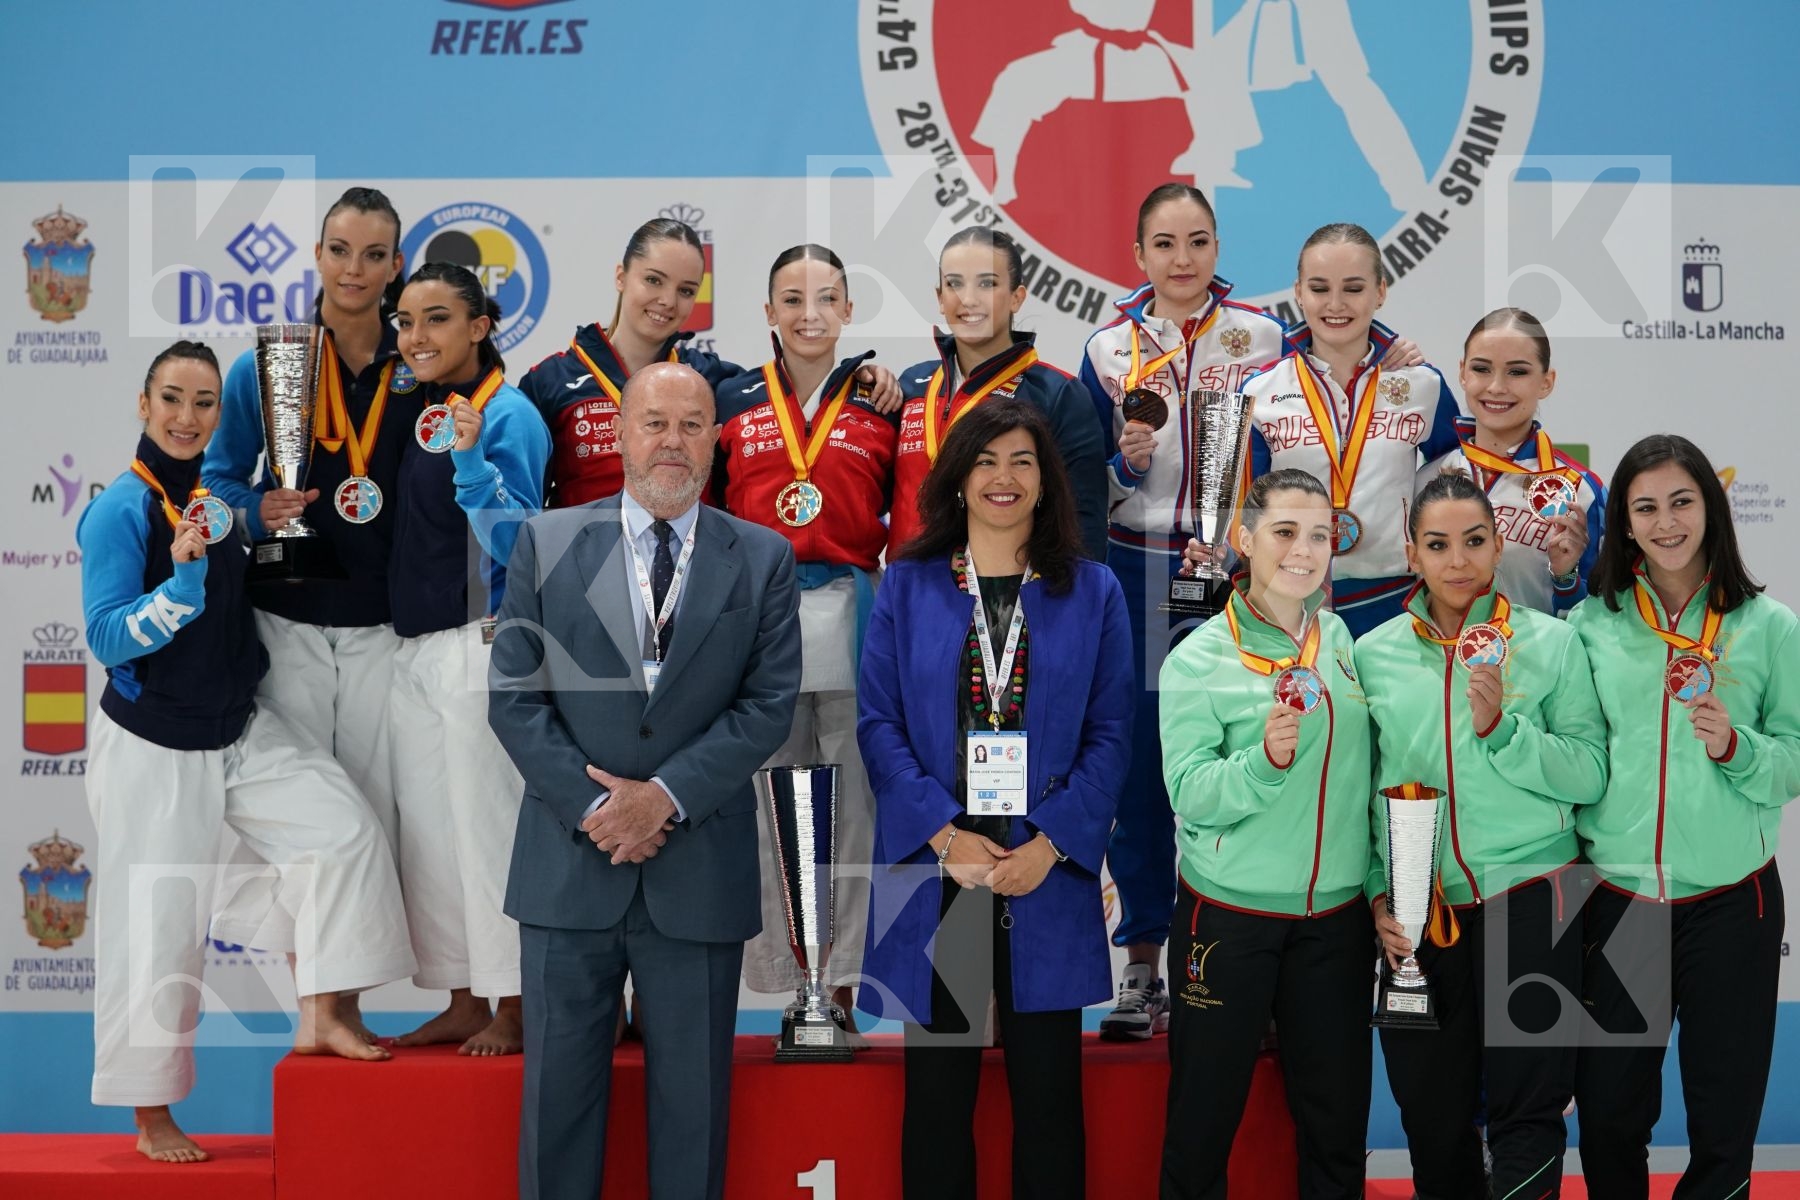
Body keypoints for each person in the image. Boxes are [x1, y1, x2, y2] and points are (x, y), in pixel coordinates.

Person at [79, 341, 414, 1163]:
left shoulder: (218, 502)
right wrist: (183, 585)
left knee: (344, 832)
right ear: (143, 404)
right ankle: (150, 1113)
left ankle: (324, 1011)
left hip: (237, 723)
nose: (189, 417)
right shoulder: (123, 507)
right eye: (172, 400)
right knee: (154, 925)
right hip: (154, 743)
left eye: (203, 404)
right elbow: (105, 634)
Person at [487, 361, 801, 1200]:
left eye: (692, 425)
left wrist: (661, 799)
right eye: (654, 422)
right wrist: (600, 808)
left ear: (717, 439)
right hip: (567, 868)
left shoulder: (764, 558)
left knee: (694, 1121)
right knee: (556, 1115)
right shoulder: (544, 542)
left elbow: (767, 706)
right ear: (619, 434)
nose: (673, 441)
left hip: (697, 869)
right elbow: (515, 702)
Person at [857, 399, 1133, 1200]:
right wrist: (944, 838)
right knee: (938, 1099)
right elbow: (878, 725)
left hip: (1041, 867)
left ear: (1047, 482)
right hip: (941, 863)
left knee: (1049, 1100)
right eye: (985, 461)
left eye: (1022, 462)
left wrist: (1050, 844)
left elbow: (1112, 733)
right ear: (957, 479)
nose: (1003, 478)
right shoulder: (906, 584)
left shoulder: (1096, 590)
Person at [1356, 470, 1608, 1200]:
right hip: (1420, 910)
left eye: (1474, 541)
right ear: (1412, 554)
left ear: (1500, 547)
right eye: (1438, 544)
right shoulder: (1374, 655)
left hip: (1535, 894)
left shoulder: (1553, 644)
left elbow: (1590, 775)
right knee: (1432, 1118)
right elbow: (1370, 797)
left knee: (1528, 1111)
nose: (1457, 560)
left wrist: (1504, 731)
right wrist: (1380, 896)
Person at [1078, 182, 1287, 1040]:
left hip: (1231, 572)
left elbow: (1298, 435)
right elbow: (1078, 482)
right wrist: (1124, 470)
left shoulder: (1268, 337)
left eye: (1198, 240)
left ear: (1217, 246)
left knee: (1239, 756)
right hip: (1135, 569)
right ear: (1139, 255)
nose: (1182, 258)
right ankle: (1140, 967)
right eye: (1164, 243)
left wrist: (1248, 544)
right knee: (1138, 771)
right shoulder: (1105, 346)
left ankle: (1246, 964)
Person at [203, 189, 413, 1035]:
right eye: (339, 250)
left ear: (397, 265)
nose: (354, 270)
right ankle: (314, 1007)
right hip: (285, 617)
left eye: (373, 255)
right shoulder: (269, 363)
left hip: (381, 629)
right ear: (317, 255)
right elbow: (214, 481)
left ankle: (343, 1004)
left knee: (361, 814)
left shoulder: (420, 356)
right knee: (305, 826)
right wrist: (259, 510)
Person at [1570, 434, 1798, 1198]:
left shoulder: (1770, 626)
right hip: (1619, 902)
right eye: (1646, 507)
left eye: (1682, 502)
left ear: (1711, 509)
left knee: (1724, 1123)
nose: (1666, 522)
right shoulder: (1592, 625)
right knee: (1607, 1117)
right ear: (1624, 524)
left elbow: (1794, 761)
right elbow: (1576, 757)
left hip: (1731, 902)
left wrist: (1737, 746)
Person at [1157, 468, 1373, 1199]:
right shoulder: (1198, 657)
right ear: (1245, 540)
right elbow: (1188, 793)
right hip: (1231, 916)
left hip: (1334, 920)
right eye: (1285, 532)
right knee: (1201, 1127)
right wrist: (1265, 763)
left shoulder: (1339, 638)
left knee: (1337, 1131)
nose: (1304, 551)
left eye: (1320, 535)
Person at [712, 243, 897, 1031]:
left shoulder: (881, 403)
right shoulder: (730, 402)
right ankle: (797, 982)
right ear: (768, 314)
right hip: (762, 623)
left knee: (854, 808)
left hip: (855, 614)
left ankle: (845, 985)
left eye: (827, 297)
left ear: (850, 311)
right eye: (792, 298)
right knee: (771, 806)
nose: (809, 313)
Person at [386, 262, 549, 1055]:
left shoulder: (507, 414)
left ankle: (515, 999)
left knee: (488, 832)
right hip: (415, 647)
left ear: (481, 327)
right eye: (406, 322)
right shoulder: (419, 410)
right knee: (433, 834)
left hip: (480, 645)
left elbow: (523, 545)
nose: (417, 337)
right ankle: (463, 992)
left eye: (438, 319)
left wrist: (473, 462)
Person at [519, 217, 899, 509]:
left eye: (685, 290)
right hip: (585, 581)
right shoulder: (550, 381)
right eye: (653, 280)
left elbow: (793, 390)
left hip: (687, 584)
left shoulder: (710, 379)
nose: (667, 300)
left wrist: (857, 377)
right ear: (621, 276)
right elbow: (525, 501)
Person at [1244, 222, 1460, 637]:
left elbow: (1453, 478)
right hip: (1289, 600)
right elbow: (1244, 504)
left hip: (1395, 600)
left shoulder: (1422, 385)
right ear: (1299, 292)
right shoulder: (1261, 391)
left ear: (1380, 291)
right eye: (1320, 288)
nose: (1336, 304)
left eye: (1354, 288)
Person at [891, 227, 1107, 562]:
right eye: (954, 284)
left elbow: (1084, 523)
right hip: (910, 592)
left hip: (1013, 598)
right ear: (939, 297)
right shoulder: (910, 386)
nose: (968, 299)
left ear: (1017, 296)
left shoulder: (1058, 394)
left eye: (987, 283)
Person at [1419, 307, 1604, 616]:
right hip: (1441, 662)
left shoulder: (1579, 490)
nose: (1496, 387)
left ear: (1546, 381)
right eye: (1481, 369)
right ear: (1462, 373)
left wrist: (1566, 578)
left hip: (1537, 662)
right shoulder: (1425, 481)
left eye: (1517, 372)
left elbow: (1600, 619)